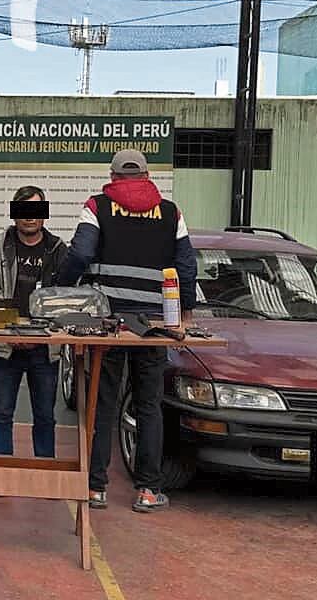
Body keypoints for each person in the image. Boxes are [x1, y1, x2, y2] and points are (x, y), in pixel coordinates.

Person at [56, 149, 197, 513]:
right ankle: (148, 489)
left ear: (113, 175)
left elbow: (80, 253)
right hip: (153, 324)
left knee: (103, 402)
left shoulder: (98, 205)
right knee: (148, 404)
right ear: (147, 175)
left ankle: (95, 488)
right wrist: (185, 313)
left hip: (109, 323)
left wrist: (63, 288)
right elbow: (186, 264)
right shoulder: (170, 211)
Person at [0, 185, 67, 458]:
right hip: (7, 346)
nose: (30, 217)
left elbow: (65, 299)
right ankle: (2, 470)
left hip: (45, 349)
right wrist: (9, 332)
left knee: (45, 416)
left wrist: (42, 334)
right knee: (2, 413)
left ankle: (45, 473)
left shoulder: (58, 249)